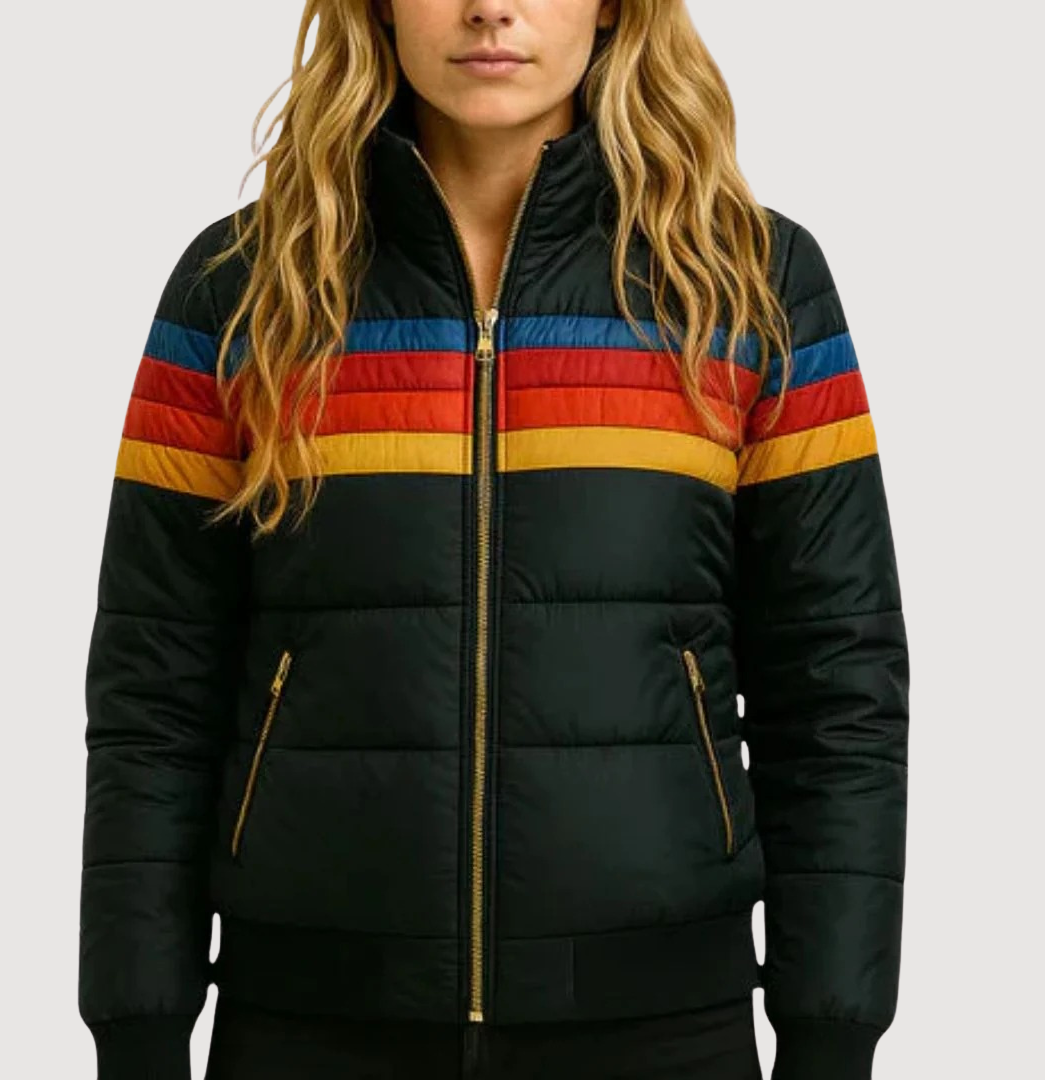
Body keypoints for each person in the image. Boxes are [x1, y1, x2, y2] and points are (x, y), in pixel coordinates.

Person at [77, 1, 910, 1078]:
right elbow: (153, 690)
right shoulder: (242, 291)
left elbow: (838, 688)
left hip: (659, 1028)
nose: (489, 7)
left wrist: (832, 1033)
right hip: (311, 1025)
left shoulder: (748, 284)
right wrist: (138, 1030)